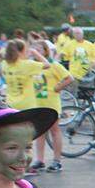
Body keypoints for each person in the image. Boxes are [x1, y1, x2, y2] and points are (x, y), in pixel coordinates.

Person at [29, 42, 71, 174]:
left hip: (51, 103)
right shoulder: (32, 66)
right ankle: (40, 160)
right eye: (35, 48)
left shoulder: (54, 65)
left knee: (54, 131)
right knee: (39, 133)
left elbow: (69, 78)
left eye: (40, 48)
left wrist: (57, 87)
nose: (37, 51)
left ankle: (57, 161)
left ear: (46, 51)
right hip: (37, 103)